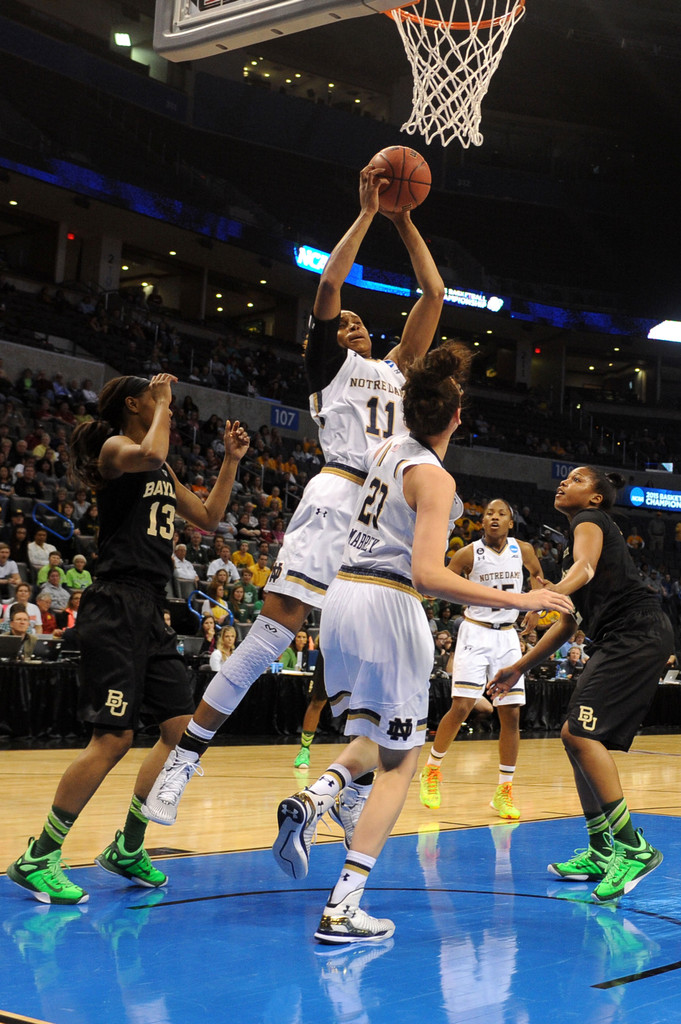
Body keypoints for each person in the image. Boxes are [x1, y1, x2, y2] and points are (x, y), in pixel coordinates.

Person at [141, 163, 448, 824]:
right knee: (271, 635)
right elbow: (331, 283)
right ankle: (183, 760)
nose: (352, 324)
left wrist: (404, 220)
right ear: (326, 339)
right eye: (343, 323)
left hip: (385, 515)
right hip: (338, 495)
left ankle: (349, 788)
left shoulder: (400, 371)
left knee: (366, 657)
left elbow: (434, 292)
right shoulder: (331, 368)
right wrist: (367, 214)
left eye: (360, 321)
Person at [270, 341, 573, 943]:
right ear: (457, 417)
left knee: (372, 737)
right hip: (389, 602)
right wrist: (522, 600)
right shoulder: (433, 476)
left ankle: (314, 798)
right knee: (401, 762)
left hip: (342, 598)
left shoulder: (384, 449)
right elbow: (430, 575)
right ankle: (343, 906)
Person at [7, 373, 249, 905]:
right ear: (134, 403)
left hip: (150, 609)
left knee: (181, 733)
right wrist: (163, 403)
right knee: (113, 739)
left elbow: (209, 518)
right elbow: (149, 450)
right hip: (115, 604)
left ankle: (128, 846)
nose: (167, 402)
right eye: (155, 396)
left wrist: (230, 462)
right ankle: (39, 855)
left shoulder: (159, 466)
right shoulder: (116, 448)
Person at [488, 466, 674, 904]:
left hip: (636, 632)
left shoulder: (590, 522)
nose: (563, 483)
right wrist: (519, 667)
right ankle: (601, 850)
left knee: (579, 734)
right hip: (621, 637)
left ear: (595, 498)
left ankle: (632, 847)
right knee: (573, 737)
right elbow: (569, 622)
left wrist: (542, 595)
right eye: (564, 478)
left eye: (575, 480)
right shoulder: (575, 544)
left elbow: (586, 570)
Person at [419, 499, 546, 819]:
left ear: (511, 523)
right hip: (475, 632)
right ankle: (432, 769)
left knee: (511, 714)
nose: (494, 518)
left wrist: (535, 606)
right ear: (482, 522)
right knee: (462, 705)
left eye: (501, 514)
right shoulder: (467, 554)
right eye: (489, 513)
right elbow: (442, 582)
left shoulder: (523, 549)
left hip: (507, 636)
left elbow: (537, 575)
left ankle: (504, 791)